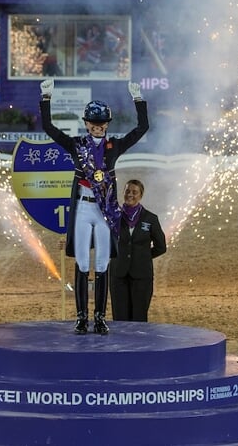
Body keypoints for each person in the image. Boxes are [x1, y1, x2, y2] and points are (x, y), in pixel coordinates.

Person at [40, 79, 149, 335]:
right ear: (86, 124)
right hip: (83, 207)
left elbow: (142, 127)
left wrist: (138, 99)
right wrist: (46, 98)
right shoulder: (76, 145)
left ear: (107, 125)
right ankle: (81, 316)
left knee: (101, 265)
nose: (98, 128)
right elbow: (48, 127)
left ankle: (99, 317)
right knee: (81, 263)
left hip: (105, 211)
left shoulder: (115, 146)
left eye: (102, 124)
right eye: (93, 124)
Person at [109, 179, 166, 322]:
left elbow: (161, 246)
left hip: (141, 276)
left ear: (141, 195)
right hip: (118, 275)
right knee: (120, 317)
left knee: (139, 317)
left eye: (134, 192)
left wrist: (144, 256)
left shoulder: (151, 219)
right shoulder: (114, 217)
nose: (130, 194)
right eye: (127, 191)